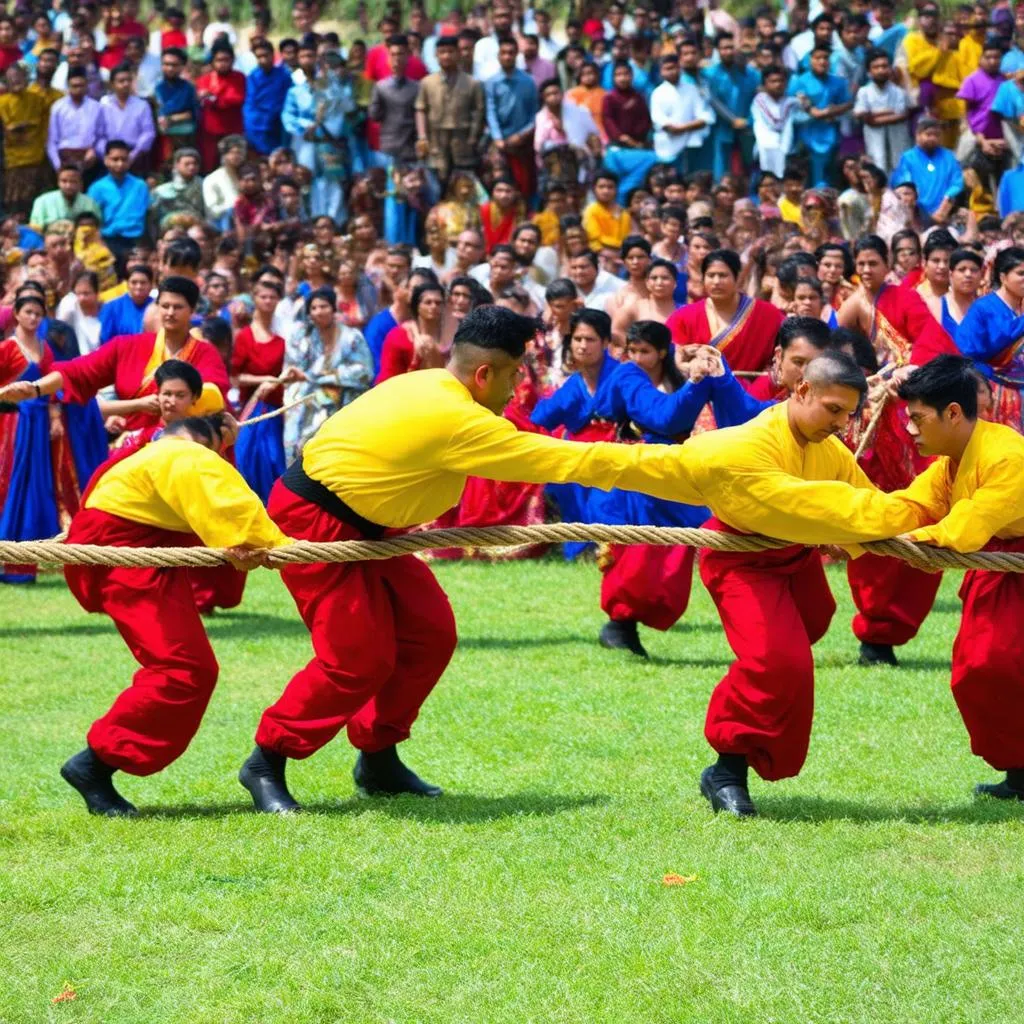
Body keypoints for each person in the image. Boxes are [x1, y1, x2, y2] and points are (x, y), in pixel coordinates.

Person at [237, 305, 700, 813]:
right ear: (484, 374)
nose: (519, 382)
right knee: (356, 657)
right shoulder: (459, 420)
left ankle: (377, 755)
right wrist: (679, 463)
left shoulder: (431, 383)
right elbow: (574, 460)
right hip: (316, 519)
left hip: (366, 521)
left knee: (429, 631)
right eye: (514, 372)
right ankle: (267, 759)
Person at [685, 351, 934, 816]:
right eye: (833, 409)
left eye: (848, 413)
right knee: (777, 662)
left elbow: (867, 505)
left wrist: (926, 531)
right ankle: (725, 771)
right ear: (802, 391)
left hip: (795, 558)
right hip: (739, 559)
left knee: (814, 621)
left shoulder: (832, 450)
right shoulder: (755, 440)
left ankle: (761, 691)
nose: (841, 423)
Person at [57, 415, 288, 817]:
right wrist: (273, 544)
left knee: (190, 670)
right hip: (126, 559)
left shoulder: (151, 454)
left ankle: (94, 764)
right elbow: (218, 491)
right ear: (206, 441)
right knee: (183, 670)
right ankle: (92, 764)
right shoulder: (182, 455)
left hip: (145, 556)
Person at [894, 355, 1024, 800]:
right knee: (978, 670)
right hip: (1000, 565)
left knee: (996, 664)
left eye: (917, 419)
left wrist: (908, 538)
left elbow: (963, 529)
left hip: (1007, 560)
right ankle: (1020, 774)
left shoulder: (1007, 457)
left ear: (952, 413)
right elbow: (909, 505)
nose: (910, 430)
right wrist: (850, 530)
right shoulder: (954, 458)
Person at [588, 320, 718, 656]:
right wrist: (696, 383)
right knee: (635, 551)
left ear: (662, 351)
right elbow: (662, 418)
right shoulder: (628, 375)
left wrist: (701, 374)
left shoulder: (675, 377)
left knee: (671, 552)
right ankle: (619, 624)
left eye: (644, 351)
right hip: (633, 477)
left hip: (671, 477)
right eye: (631, 350)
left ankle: (629, 623)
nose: (635, 357)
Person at [7, 277, 227, 436]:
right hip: (129, 445)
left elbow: (213, 398)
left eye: (178, 307)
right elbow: (76, 372)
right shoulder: (128, 346)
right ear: (157, 307)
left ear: (192, 310)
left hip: (183, 447)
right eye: (165, 305)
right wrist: (35, 388)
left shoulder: (205, 354)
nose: (170, 312)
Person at [0, 292, 106, 584]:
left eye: (38, 313)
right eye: (28, 312)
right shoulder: (7, 348)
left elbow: (54, 391)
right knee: (7, 483)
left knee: (35, 485)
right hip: (10, 424)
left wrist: (56, 418)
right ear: (17, 314)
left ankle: (24, 559)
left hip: (38, 427)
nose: (33, 318)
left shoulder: (46, 350)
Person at [282, 286, 374, 461]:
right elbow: (292, 369)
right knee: (298, 451)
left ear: (333, 308)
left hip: (344, 405)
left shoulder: (351, 337)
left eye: (323, 306)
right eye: (314, 308)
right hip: (305, 404)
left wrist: (315, 376)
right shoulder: (301, 336)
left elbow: (364, 372)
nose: (319, 312)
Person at [232, 278, 300, 504]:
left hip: (277, 410)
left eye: (272, 297)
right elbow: (236, 376)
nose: (268, 301)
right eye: (263, 296)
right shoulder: (244, 337)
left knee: (274, 463)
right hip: (254, 408)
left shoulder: (282, 340)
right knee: (250, 461)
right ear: (255, 299)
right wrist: (264, 380)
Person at [667, 249, 784, 372]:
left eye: (723, 275)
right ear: (703, 278)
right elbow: (671, 357)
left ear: (738, 277)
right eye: (711, 275)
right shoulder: (683, 317)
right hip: (700, 387)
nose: (716, 282)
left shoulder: (767, 314)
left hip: (752, 389)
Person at [955, 245, 1024, 429]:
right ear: (1003, 277)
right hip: (996, 394)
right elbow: (967, 352)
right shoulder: (983, 309)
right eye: (1021, 273)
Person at [415, 34, 485, 184]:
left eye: (450, 52)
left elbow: (479, 112)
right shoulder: (427, 82)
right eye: (442, 52)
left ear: (458, 53)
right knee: (437, 181)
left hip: (463, 139)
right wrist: (422, 137)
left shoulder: (473, 83)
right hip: (436, 139)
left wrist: (473, 137)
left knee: (464, 182)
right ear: (436, 55)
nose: (446, 56)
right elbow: (421, 109)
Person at [788, 43, 852, 187]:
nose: (822, 61)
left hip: (831, 135)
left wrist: (832, 111)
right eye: (817, 58)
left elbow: (848, 104)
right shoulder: (799, 82)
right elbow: (793, 108)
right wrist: (820, 113)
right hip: (806, 136)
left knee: (831, 176)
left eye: (825, 58)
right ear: (809, 60)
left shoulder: (838, 82)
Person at [485, 35, 539, 200]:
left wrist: (522, 135)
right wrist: (498, 138)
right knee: (499, 184)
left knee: (524, 185)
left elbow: (535, 114)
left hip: (523, 142)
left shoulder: (528, 81)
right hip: (500, 142)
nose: (507, 56)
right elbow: (490, 111)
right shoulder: (491, 82)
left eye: (511, 53)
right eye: (504, 53)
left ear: (517, 55)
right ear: (498, 56)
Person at [86, 139, 150, 274]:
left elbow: (147, 216)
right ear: (106, 160)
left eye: (124, 159)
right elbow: (92, 220)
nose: (120, 164)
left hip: (135, 240)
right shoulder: (97, 188)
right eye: (115, 159)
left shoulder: (140, 186)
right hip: (108, 240)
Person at [601, 61, 658, 200]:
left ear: (632, 76)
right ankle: (621, 195)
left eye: (626, 74)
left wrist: (638, 141)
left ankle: (625, 192)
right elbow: (608, 120)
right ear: (613, 78)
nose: (622, 78)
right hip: (617, 149)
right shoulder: (609, 98)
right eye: (618, 75)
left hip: (637, 147)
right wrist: (622, 137)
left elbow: (645, 121)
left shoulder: (638, 97)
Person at [890, 118, 965, 222]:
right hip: (915, 212)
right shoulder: (908, 157)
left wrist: (946, 201)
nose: (933, 138)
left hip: (944, 211)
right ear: (918, 135)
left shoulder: (949, 156)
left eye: (937, 135)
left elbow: (957, 183)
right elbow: (905, 185)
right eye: (929, 134)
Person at [0, 64, 48, 218]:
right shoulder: (2, 103)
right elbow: (8, 129)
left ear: (26, 78)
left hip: (36, 158)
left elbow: (43, 127)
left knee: (34, 203)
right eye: (11, 78)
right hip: (12, 161)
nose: (16, 80)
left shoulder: (38, 100)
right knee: (13, 204)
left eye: (19, 76)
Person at [854, 48, 912, 176]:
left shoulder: (899, 92)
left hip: (898, 143)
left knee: (901, 175)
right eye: (876, 67)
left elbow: (902, 115)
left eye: (884, 66)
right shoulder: (864, 92)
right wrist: (890, 112)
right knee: (877, 174)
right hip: (874, 145)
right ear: (869, 71)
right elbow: (865, 118)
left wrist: (874, 115)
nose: (881, 70)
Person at [196, 41, 246, 173]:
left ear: (232, 60)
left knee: (234, 166)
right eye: (219, 60)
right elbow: (201, 101)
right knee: (209, 166)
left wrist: (213, 98)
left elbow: (236, 99)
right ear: (212, 61)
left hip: (232, 130)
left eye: (226, 60)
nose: (222, 63)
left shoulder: (239, 78)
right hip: (209, 132)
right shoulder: (204, 79)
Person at [47, 66, 104, 177]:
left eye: (81, 86)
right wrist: (58, 166)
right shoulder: (58, 107)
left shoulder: (96, 107)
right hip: (65, 159)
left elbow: (101, 136)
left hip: (89, 159)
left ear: (87, 86)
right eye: (74, 86)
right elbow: (52, 141)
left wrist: (95, 151)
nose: (78, 89)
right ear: (68, 86)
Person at [99, 62, 156, 171]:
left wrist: (133, 155)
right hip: (109, 155)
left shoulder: (142, 105)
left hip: (135, 154)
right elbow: (99, 134)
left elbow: (148, 133)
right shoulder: (104, 104)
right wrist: (107, 156)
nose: (125, 84)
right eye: (121, 81)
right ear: (112, 84)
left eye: (128, 80)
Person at [243, 38, 293, 156]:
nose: (263, 60)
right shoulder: (253, 77)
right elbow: (250, 104)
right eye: (259, 57)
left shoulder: (284, 75)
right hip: (258, 126)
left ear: (273, 55)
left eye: (266, 55)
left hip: (279, 126)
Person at [29, 166, 102, 235]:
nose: (68, 186)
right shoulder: (42, 201)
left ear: (80, 183)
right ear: (58, 182)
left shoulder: (90, 203)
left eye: (73, 182)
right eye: (64, 181)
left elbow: (98, 228)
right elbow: (35, 230)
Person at [99, 264, 154, 343]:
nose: (138, 286)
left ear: (151, 285)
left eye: (143, 283)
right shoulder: (111, 308)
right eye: (134, 282)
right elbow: (104, 339)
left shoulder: (157, 307)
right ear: (127, 284)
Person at [582, 171, 631, 253]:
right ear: (594, 189)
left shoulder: (623, 213)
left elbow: (625, 239)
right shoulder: (590, 211)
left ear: (616, 190)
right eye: (601, 187)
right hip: (598, 253)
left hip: (621, 253)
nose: (606, 191)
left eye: (610, 187)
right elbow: (594, 239)